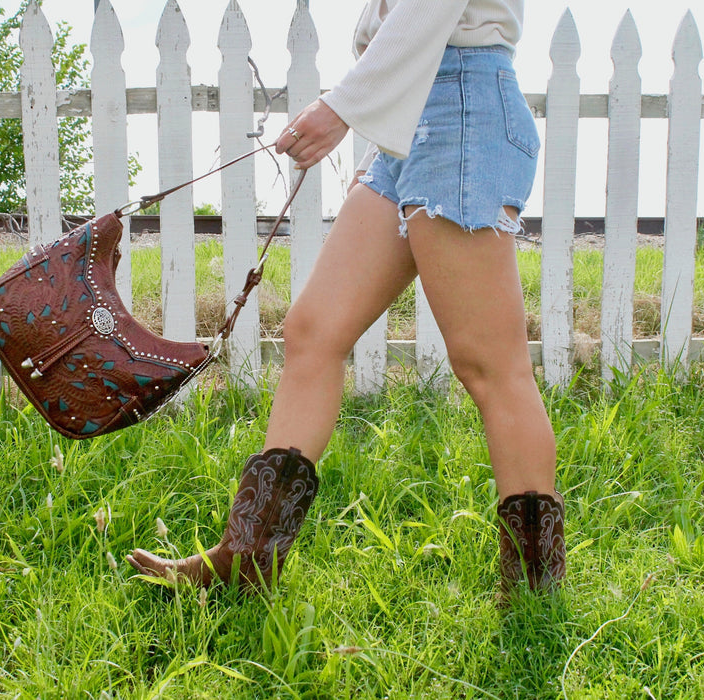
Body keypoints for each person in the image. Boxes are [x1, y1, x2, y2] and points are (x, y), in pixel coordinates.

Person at [128, 0, 566, 598]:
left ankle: (535, 590)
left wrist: (341, 105)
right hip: (411, 117)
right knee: (314, 331)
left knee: (491, 366)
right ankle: (249, 558)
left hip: (461, 102)